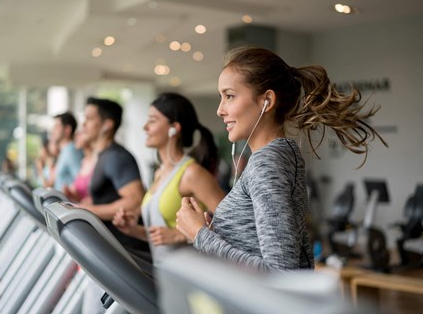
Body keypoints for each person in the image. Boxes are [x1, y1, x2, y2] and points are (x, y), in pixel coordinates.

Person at [176, 46, 387, 272]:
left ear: (267, 100)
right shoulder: (274, 156)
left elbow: (280, 271)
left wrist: (200, 235)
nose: (220, 110)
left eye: (229, 96)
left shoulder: (268, 162)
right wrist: (217, 231)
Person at [113, 93, 226, 265]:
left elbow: (232, 222)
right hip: (166, 273)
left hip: (193, 273)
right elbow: (163, 236)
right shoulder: (160, 172)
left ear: (174, 128)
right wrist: (134, 230)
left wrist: (181, 235)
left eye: (152, 120)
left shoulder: (192, 173)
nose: (145, 127)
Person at [77, 97, 148, 251]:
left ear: (107, 125)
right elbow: (107, 197)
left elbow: (135, 201)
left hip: (128, 251)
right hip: (111, 246)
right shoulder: (103, 155)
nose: (83, 124)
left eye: (89, 119)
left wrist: (89, 211)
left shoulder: (116, 156)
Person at [51, 112, 83, 191]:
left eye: (56, 126)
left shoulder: (71, 151)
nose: (52, 130)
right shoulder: (64, 151)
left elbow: (80, 181)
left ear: (67, 129)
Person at [62, 130, 97, 202]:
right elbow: (79, 197)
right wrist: (69, 193)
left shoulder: (97, 160)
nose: (76, 135)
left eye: (82, 132)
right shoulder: (83, 161)